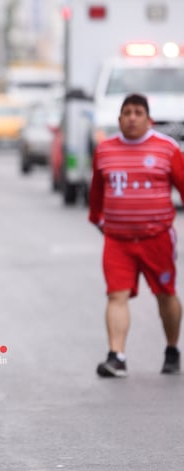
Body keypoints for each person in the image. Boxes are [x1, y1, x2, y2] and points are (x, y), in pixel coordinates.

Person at [89, 93, 184, 377]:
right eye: (126, 112)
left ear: (148, 118)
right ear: (119, 119)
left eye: (137, 112)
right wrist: (98, 219)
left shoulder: (167, 149)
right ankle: (116, 356)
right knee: (116, 295)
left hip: (157, 238)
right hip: (117, 240)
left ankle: (171, 348)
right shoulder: (105, 150)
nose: (132, 117)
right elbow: (97, 191)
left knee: (165, 294)